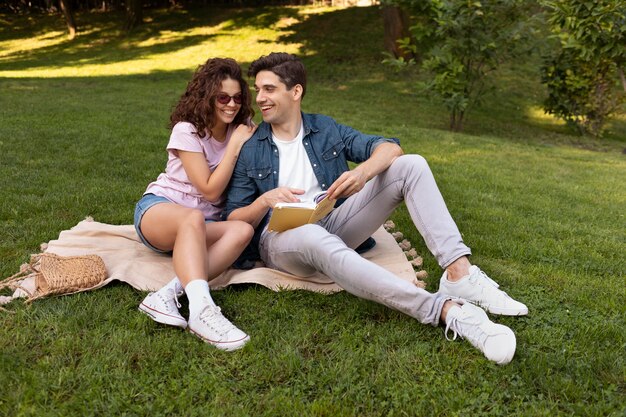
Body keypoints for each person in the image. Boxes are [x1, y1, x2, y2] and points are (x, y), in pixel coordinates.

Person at [224, 52, 528, 364]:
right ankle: (446, 311)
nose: (259, 98)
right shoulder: (252, 147)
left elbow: (390, 148)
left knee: (411, 165)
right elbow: (233, 217)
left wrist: (362, 173)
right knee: (312, 237)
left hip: (331, 220)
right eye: (258, 90)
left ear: (296, 91)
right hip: (283, 238)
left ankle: (458, 274)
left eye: (269, 89)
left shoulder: (324, 129)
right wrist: (265, 200)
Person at [134, 57, 256, 351]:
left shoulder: (241, 128)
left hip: (201, 227)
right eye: (223, 98)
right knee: (192, 217)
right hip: (160, 211)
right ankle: (202, 311)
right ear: (207, 97)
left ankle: (167, 293)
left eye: (238, 98)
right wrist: (236, 145)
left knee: (242, 231)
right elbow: (210, 191)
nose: (232, 104)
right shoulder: (187, 130)